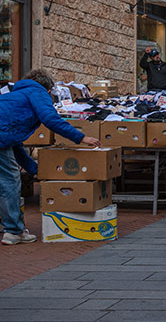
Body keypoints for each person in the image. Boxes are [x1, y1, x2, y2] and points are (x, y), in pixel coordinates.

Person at [0, 70, 100, 245]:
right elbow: (51, 119)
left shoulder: (15, 95)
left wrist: (34, 170)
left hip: (3, 138)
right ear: (47, 89)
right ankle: (14, 231)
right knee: (9, 182)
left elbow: (13, 144)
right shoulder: (37, 92)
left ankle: (10, 225)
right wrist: (81, 138)